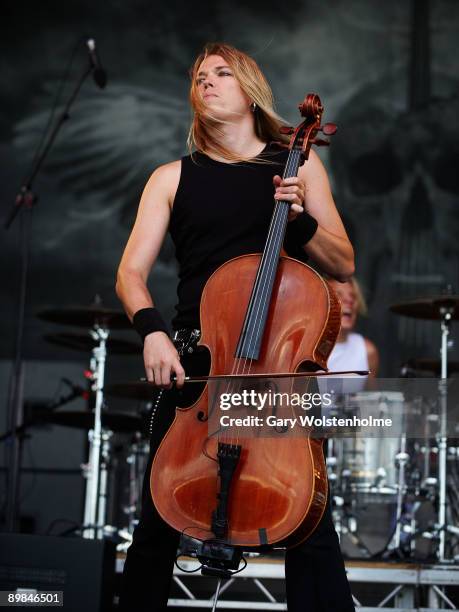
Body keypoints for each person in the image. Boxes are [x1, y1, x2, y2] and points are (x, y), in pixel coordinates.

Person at [116, 42, 355, 612]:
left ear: (250, 90)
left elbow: (343, 261)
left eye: (222, 73)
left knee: (308, 521)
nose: (208, 81)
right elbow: (129, 273)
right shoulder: (170, 177)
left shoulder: (297, 162)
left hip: (272, 373)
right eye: (199, 76)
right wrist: (151, 330)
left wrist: (301, 222)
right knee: (156, 521)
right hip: (199, 365)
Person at [327, 277, 379, 377]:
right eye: (338, 294)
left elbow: (370, 392)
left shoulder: (367, 351)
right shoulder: (304, 351)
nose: (349, 300)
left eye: (353, 296)